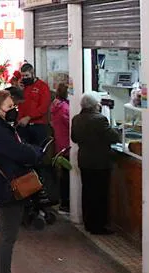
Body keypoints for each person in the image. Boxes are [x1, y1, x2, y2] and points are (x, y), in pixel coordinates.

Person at [0, 89, 41, 273]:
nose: (13, 110)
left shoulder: (3, 128)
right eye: (9, 107)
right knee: (7, 239)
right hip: (8, 189)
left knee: (8, 237)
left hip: (7, 187)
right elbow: (20, 152)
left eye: (13, 106)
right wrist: (35, 153)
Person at [71, 93, 121, 235]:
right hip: (100, 163)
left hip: (84, 161)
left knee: (87, 192)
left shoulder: (76, 119)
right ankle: (98, 226)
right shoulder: (100, 119)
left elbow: (74, 138)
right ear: (95, 105)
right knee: (99, 195)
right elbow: (114, 137)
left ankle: (88, 222)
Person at [16, 63, 51, 145]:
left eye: (26, 76)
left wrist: (29, 117)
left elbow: (44, 107)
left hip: (37, 125)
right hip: (22, 125)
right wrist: (19, 90)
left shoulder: (43, 86)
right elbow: (18, 102)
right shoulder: (23, 86)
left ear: (33, 74)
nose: (24, 78)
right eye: (22, 76)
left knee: (38, 151)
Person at [50, 82, 71, 211]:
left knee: (64, 174)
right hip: (67, 145)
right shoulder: (65, 109)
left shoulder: (55, 106)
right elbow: (70, 125)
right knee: (67, 175)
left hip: (60, 143)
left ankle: (64, 201)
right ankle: (66, 202)